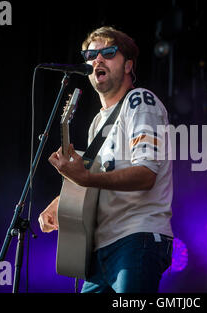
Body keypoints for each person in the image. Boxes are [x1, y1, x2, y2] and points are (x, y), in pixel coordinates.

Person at [38, 26, 173, 293]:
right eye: (90, 54)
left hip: (137, 237)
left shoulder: (140, 101)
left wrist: (86, 177)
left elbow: (146, 174)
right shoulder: (98, 122)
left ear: (128, 65)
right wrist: (60, 203)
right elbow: (96, 182)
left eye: (108, 52)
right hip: (102, 248)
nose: (97, 59)